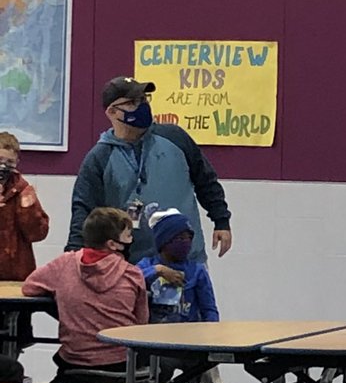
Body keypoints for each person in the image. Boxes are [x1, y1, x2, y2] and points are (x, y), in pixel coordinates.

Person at [65, 77, 233, 263]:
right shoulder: (99, 157)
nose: (142, 106)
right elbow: (83, 210)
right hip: (132, 265)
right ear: (112, 112)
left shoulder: (175, 138)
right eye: (131, 102)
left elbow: (206, 181)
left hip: (187, 259)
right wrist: (74, 257)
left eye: (143, 99)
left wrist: (221, 220)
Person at [22, 206, 148, 383]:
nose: (132, 240)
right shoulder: (133, 274)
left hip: (74, 363)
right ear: (112, 244)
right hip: (120, 364)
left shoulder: (64, 264)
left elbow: (29, 287)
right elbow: (141, 323)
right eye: (128, 236)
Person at [137, 208, 228, 383]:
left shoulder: (197, 271)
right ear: (164, 242)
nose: (185, 244)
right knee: (151, 375)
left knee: (210, 367)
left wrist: (212, 333)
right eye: (179, 239)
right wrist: (158, 272)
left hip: (191, 342)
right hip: (157, 345)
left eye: (189, 239)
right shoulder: (147, 265)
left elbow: (209, 308)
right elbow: (131, 280)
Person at [0, 131, 50, 356]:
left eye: (9, 162)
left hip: (16, 279)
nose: (4, 167)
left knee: (13, 342)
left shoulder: (24, 190)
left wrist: (26, 207)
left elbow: (38, 233)